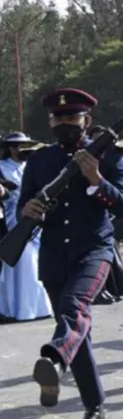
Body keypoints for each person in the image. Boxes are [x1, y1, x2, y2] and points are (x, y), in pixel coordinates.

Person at [24, 88, 123, 419]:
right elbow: (25, 205)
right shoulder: (40, 161)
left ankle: (54, 358)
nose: (65, 124)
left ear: (87, 121)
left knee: (75, 308)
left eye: (72, 118)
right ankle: (94, 407)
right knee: (78, 333)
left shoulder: (108, 156)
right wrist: (30, 210)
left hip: (94, 250)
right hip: (55, 255)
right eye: (59, 118)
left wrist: (96, 179)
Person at [0, 132, 52, 322]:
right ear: (10, 148)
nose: (21, 149)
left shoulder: (32, 167)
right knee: (23, 262)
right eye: (17, 146)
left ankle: (40, 306)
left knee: (38, 261)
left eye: (24, 145)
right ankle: (19, 308)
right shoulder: (1, 168)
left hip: (37, 218)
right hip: (13, 220)